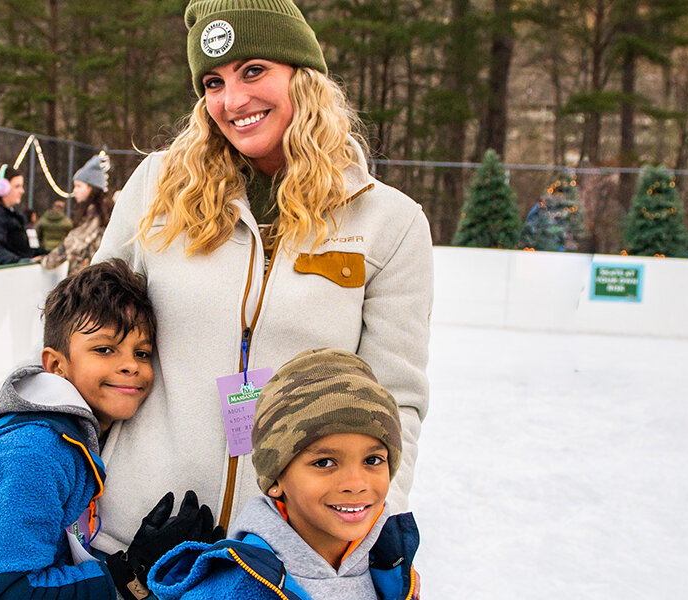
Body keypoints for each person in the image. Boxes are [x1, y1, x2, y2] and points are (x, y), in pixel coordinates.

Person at [88, 0, 434, 561]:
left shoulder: (388, 222)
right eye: (214, 82)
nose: (233, 100)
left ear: (304, 76)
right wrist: (13, 434)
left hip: (288, 552)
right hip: (137, 533)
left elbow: (396, 398)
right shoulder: (157, 186)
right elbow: (84, 329)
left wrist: (374, 521)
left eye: (254, 71)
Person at [0, 259, 220, 600]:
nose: (130, 365)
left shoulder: (74, 441)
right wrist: (130, 573)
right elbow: (10, 593)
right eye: (105, 349)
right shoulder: (32, 452)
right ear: (57, 365)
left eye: (143, 352)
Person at [148, 348, 419, 600]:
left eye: (372, 460)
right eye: (325, 463)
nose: (355, 484)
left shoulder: (392, 569)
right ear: (276, 478)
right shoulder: (234, 588)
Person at [40, 154, 113, 275]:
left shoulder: (96, 211)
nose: (75, 191)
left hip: (91, 276)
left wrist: (48, 261)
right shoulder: (103, 210)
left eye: (79, 186)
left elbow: (75, 242)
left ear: (92, 188)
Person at [0, 164, 44, 266]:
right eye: (17, 186)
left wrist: (49, 254)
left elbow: (24, 250)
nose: (22, 191)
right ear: (2, 188)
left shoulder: (13, 215)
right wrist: (18, 262)